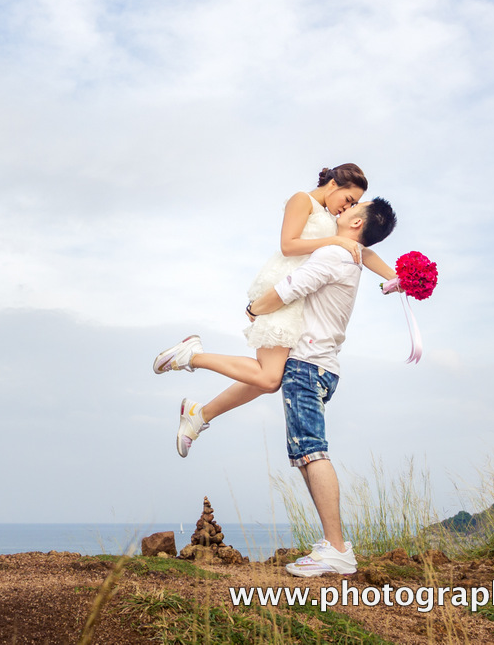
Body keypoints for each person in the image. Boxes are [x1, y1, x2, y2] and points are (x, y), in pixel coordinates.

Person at [152, 195, 399, 578]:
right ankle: (199, 404)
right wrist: (397, 277)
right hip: (323, 367)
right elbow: (362, 259)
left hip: (307, 366)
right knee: (303, 452)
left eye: (352, 207)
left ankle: (336, 548)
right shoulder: (351, 257)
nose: (344, 210)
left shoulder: (335, 255)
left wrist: (254, 310)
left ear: (356, 224)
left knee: (312, 452)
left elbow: (289, 288)